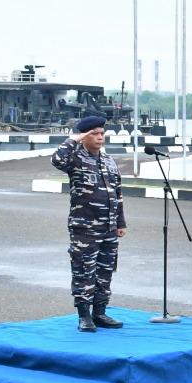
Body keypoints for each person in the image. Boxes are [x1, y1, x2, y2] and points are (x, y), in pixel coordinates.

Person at [51, 116, 127, 332]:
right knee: (84, 271)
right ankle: (84, 316)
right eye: (94, 134)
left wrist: (120, 222)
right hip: (85, 227)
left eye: (102, 133)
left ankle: (100, 312)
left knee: (105, 270)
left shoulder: (109, 161)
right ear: (84, 136)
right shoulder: (75, 159)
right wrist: (74, 139)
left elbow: (117, 193)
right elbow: (56, 159)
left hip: (108, 227)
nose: (100, 137)